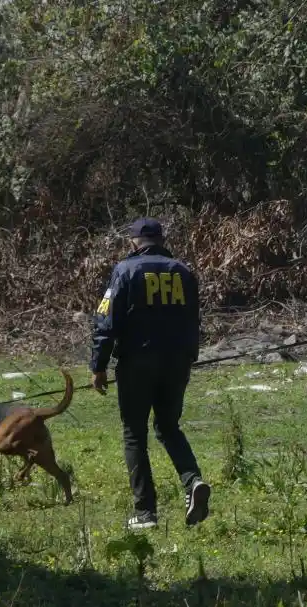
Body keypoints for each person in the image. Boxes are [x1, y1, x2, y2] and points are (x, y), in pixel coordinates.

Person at [89, 217, 210, 529]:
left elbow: (106, 321)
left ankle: (146, 514)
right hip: (177, 362)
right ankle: (193, 481)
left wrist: (98, 366)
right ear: (161, 239)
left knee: (134, 434)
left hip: (137, 363)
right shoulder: (183, 271)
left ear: (133, 242)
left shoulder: (124, 271)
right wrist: (188, 358)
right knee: (169, 427)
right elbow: (193, 320)